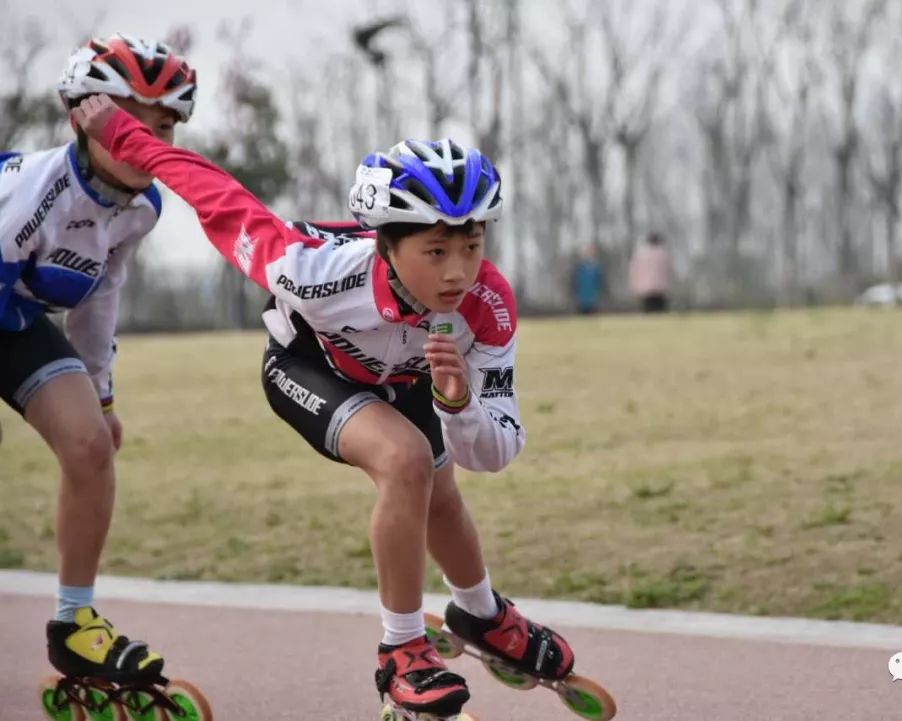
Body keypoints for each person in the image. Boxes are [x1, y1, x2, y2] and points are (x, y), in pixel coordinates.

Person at [73, 95, 576, 718]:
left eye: (471, 246)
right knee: (407, 461)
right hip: (308, 367)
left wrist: (460, 402)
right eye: (437, 251)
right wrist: (122, 132)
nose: (458, 272)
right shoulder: (315, 270)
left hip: (408, 380)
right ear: (386, 245)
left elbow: (494, 452)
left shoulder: (489, 307)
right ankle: (403, 650)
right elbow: (213, 191)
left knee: (440, 487)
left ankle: (480, 613)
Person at [0, 35, 196, 683]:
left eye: (163, 126)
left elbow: (98, 297)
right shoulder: (36, 192)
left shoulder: (141, 208)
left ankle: (74, 625)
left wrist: (101, 397)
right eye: (130, 122)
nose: (148, 139)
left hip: (14, 320)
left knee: (90, 446)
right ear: (81, 118)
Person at [629, 231, 671, 313]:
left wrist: (634, 285)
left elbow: (634, 270)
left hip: (645, 288)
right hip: (660, 287)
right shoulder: (663, 254)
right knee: (659, 310)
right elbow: (668, 271)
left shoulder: (640, 254)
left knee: (647, 310)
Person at [572, 243, 604, 314]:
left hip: (593, 297)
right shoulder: (580, 267)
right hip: (582, 297)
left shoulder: (596, 267)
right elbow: (575, 282)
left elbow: (599, 283)